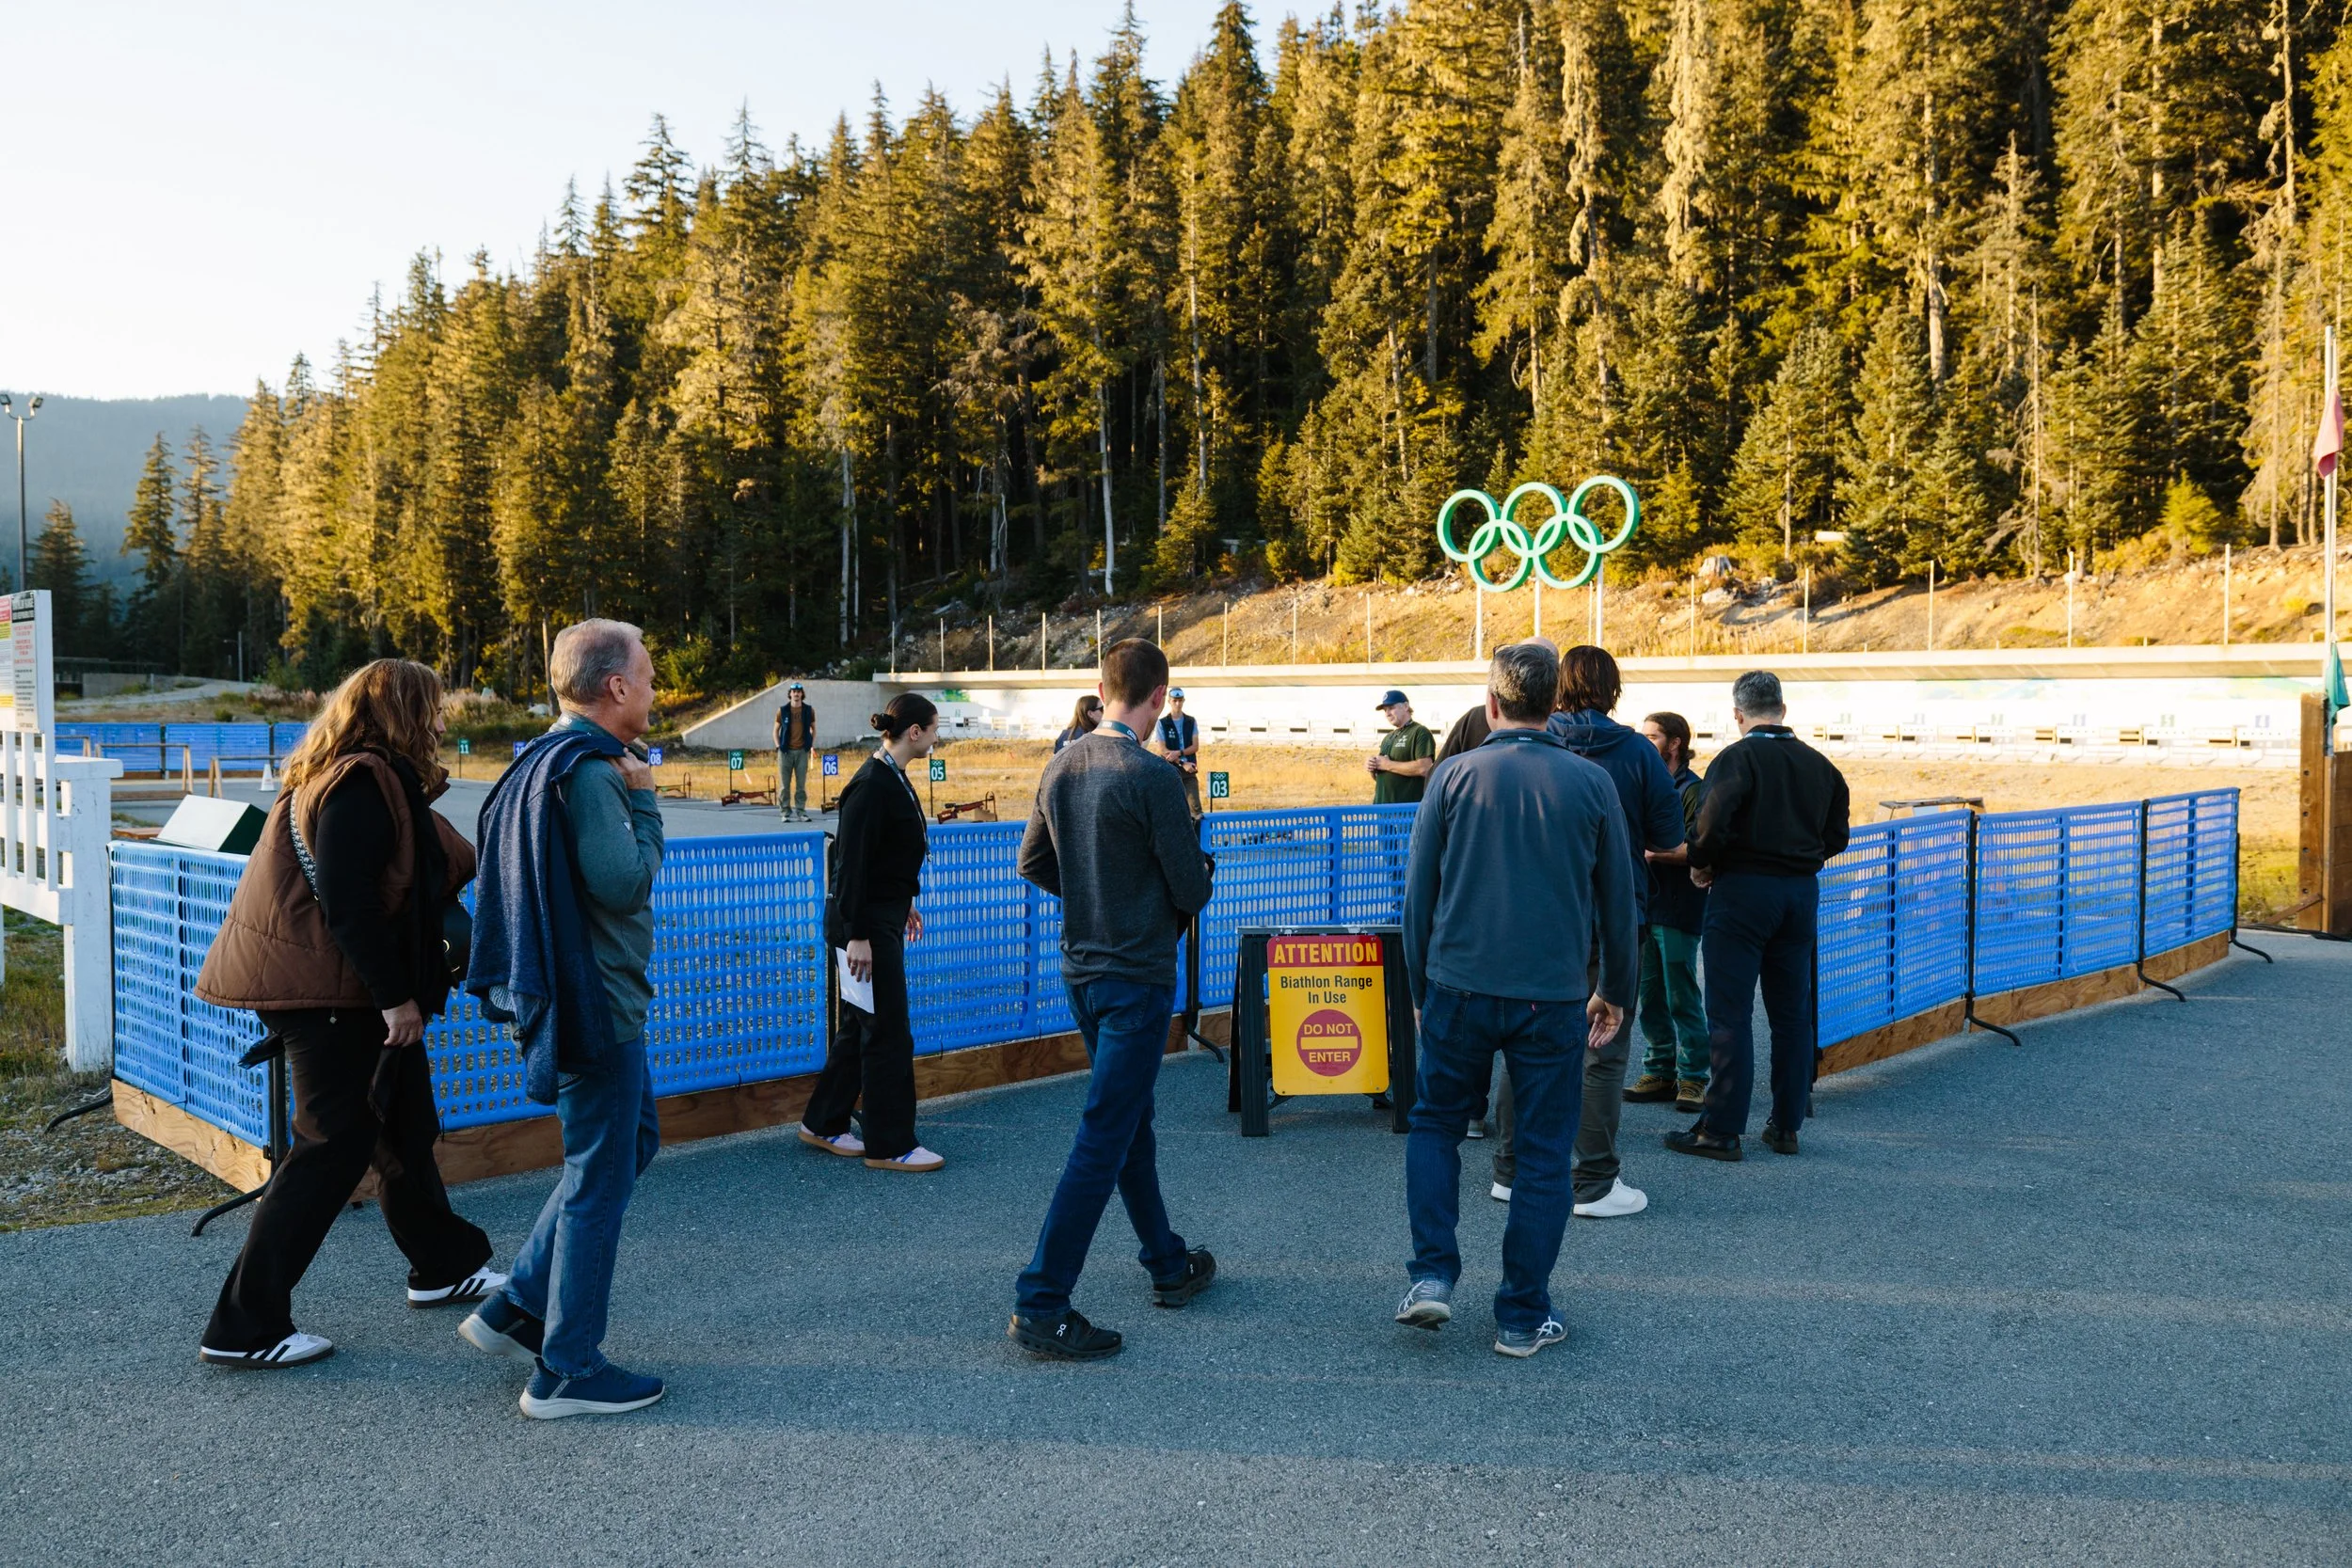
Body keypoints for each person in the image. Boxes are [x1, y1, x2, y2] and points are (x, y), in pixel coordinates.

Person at [194, 659, 497, 1369]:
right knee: (330, 1146)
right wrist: (395, 998)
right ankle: (244, 1324)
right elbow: (349, 901)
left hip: (338, 986)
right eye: (435, 708)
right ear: (405, 712)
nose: (444, 722)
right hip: (334, 993)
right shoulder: (362, 781)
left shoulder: (346, 772)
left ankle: (444, 1262)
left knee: (404, 1123)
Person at [1395, 641, 1636, 1359]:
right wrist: (1614, 990)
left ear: (1493, 703)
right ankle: (1522, 1315)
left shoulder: (1454, 776)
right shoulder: (1591, 784)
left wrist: (1417, 988)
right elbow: (1618, 903)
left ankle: (1433, 1275)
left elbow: (1419, 897)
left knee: (1437, 1124)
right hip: (1552, 996)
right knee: (1539, 1153)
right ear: (1553, 703)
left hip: (1457, 985)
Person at [459, 618, 669, 1418]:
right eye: (646, 677)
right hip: (597, 1002)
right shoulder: (592, 771)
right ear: (615, 687)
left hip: (573, 994)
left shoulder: (539, 756)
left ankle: (515, 1304)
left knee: (627, 1144)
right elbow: (623, 882)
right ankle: (567, 1368)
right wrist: (647, 807)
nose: (652, 689)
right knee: (599, 1177)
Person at [1010, 638, 1216, 1360]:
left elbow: (1032, 860)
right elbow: (1190, 890)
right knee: (1105, 1133)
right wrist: (1170, 882)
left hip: (1083, 973)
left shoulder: (1061, 763)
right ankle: (1042, 1298)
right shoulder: (1154, 777)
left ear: (1102, 687)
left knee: (1128, 1122)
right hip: (1138, 975)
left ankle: (1167, 1260)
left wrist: (1096, 895)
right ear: (1159, 699)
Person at [1490, 645, 1682, 1220]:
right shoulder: (1636, 753)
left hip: (1532, 916)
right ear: (1614, 689)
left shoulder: (1525, 747)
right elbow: (1669, 836)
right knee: (1603, 1046)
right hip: (1611, 914)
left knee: (1521, 1041)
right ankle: (1593, 1180)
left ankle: (1510, 1169)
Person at [1668, 670, 1851, 1163]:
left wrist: (1704, 866)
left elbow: (1709, 825)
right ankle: (1786, 1124)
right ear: (1783, 710)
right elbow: (1838, 836)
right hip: (1799, 893)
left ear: (1738, 714)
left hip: (1743, 891)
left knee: (1730, 1014)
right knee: (1792, 1014)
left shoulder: (1736, 758)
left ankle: (1722, 1128)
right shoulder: (1821, 765)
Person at [801, 694, 945, 1173]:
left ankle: (822, 1121)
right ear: (915, 732)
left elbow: (889, 856)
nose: (938, 737)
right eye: (934, 728)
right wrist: (860, 932)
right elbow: (851, 867)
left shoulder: (891, 777)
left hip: (880, 916)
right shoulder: (870, 784)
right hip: (861, 926)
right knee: (886, 1032)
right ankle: (889, 1143)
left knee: (859, 1024)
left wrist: (904, 905)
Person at [1626, 712, 1709, 1115]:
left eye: (1652, 736)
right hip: (1647, 906)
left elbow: (1696, 849)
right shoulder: (1648, 783)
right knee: (1650, 996)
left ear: (1674, 743)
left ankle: (1694, 1076)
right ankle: (1659, 1069)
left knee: (1682, 996)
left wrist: (1651, 852)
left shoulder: (1694, 790)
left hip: (1679, 909)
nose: (1645, 742)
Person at [1367, 689, 1436, 804]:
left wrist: (1388, 765)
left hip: (1406, 812)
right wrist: (1372, 767)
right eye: (1385, 710)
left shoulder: (1419, 732)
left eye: (1391, 708)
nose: (1387, 713)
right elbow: (1381, 777)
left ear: (1405, 706)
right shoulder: (1388, 737)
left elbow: (1425, 768)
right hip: (1382, 810)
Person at [1157, 687, 1202, 820]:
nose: (1178, 703)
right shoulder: (1162, 723)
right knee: (1170, 809)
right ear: (1169, 701)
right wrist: (1182, 762)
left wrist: (1179, 752)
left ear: (1183, 701)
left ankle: (1200, 839)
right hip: (1170, 771)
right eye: (1175, 700)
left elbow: (1195, 746)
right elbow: (1162, 750)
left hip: (1189, 772)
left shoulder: (1191, 721)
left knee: (1196, 809)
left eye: (1180, 700)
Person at [774, 681, 817, 822]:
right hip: (785, 752)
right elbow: (775, 730)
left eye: (799, 692)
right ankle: (785, 812)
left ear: (802, 694)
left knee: (801, 785)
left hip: (801, 752)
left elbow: (813, 729)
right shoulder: (783, 710)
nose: (796, 694)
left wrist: (810, 744)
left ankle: (801, 812)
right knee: (784, 786)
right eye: (794, 692)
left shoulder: (809, 710)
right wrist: (778, 746)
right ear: (790, 694)